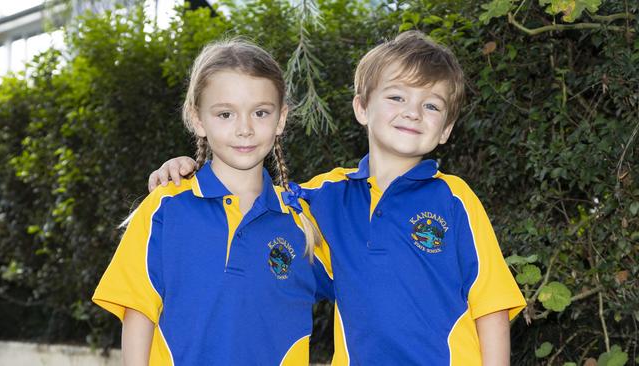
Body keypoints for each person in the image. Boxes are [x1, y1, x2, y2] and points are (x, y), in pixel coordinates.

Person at [148, 31, 526, 365]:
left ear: (445, 129)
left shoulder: (455, 199)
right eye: (397, 96)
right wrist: (189, 167)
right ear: (362, 108)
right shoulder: (324, 197)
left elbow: (490, 306)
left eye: (431, 105)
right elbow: (249, 201)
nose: (413, 112)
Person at [93, 39, 333, 366]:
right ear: (197, 119)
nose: (245, 129)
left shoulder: (303, 219)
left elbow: (371, 283)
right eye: (225, 113)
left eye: (260, 112)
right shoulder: (166, 208)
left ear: (281, 118)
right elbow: (139, 310)